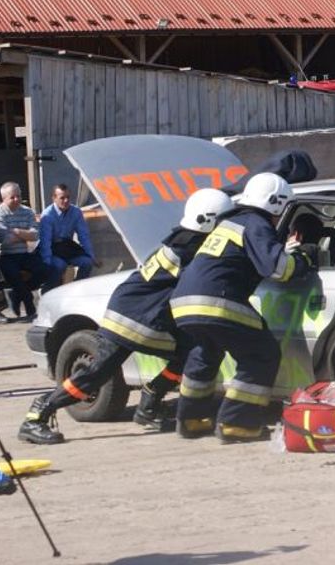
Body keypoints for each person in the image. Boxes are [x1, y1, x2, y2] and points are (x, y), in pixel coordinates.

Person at [18, 188, 234, 445]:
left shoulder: (184, 238)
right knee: (98, 372)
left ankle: (149, 406)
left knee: (189, 352)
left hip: (144, 311)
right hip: (134, 315)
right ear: (210, 220)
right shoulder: (189, 249)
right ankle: (37, 414)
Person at [170, 173, 315, 443]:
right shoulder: (256, 224)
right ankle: (237, 423)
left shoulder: (231, 223)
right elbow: (280, 270)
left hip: (183, 301)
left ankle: (191, 419)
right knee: (261, 353)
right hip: (218, 301)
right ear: (276, 204)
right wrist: (304, 256)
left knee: (205, 352)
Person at [0, 182, 47, 320]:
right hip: (6, 255)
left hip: (24, 253)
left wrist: (16, 231)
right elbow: (5, 239)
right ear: (4, 198)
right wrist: (25, 234)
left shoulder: (27, 211)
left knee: (43, 270)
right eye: (12, 197)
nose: (17, 199)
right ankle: (29, 304)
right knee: (13, 274)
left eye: (19, 196)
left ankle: (17, 295)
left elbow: (35, 235)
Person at [36, 183, 98, 292]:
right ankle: (48, 291)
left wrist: (91, 255)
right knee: (60, 265)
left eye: (68, 197)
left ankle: (75, 290)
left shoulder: (76, 212)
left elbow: (84, 235)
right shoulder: (47, 215)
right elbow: (45, 241)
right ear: (54, 198)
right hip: (52, 248)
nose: (65, 201)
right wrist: (47, 262)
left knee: (87, 262)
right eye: (62, 198)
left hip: (67, 247)